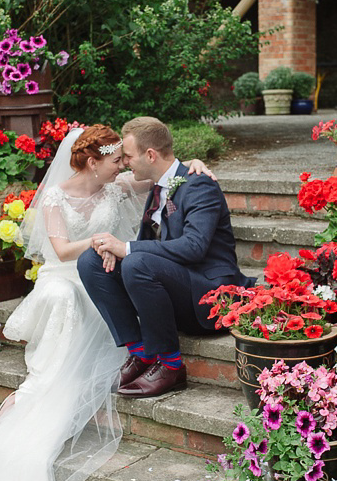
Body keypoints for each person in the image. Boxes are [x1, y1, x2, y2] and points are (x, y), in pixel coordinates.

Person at [0, 124, 214, 481]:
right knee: (66, 295)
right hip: (65, 270)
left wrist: (194, 166)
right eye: (115, 159)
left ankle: (133, 351)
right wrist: (102, 241)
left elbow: (161, 173)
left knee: (96, 289)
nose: (122, 165)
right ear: (93, 161)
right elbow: (63, 250)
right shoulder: (55, 195)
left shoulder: (116, 185)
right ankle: (46, 384)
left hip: (103, 267)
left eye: (125, 158)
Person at [78, 116, 254, 399]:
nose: (124, 163)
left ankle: (171, 366)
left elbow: (194, 247)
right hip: (173, 288)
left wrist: (128, 248)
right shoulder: (158, 185)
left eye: (129, 156)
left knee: (136, 259)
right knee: (91, 260)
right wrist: (118, 250)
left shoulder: (200, 186)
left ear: (150, 154)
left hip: (208, 296)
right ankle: (142, 355)